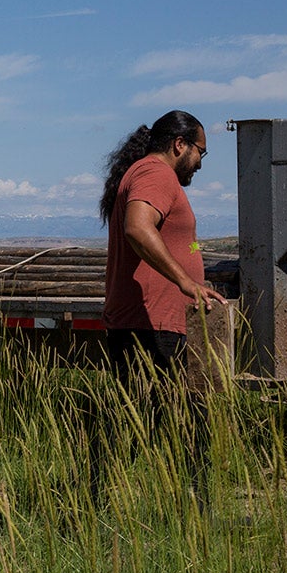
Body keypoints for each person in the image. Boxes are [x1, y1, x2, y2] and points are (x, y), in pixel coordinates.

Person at [91, 109, 227, 510]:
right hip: (152, 322)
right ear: (179, 145)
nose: (201, 162)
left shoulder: (146, 172)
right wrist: (184, 281)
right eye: (201, 152)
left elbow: (184, 240)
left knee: (137, 420)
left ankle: (87, 504)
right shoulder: (157, 174)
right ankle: (199, 516)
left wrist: (197, 263)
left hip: (150, 319)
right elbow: (138, 226)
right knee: (183, 420)